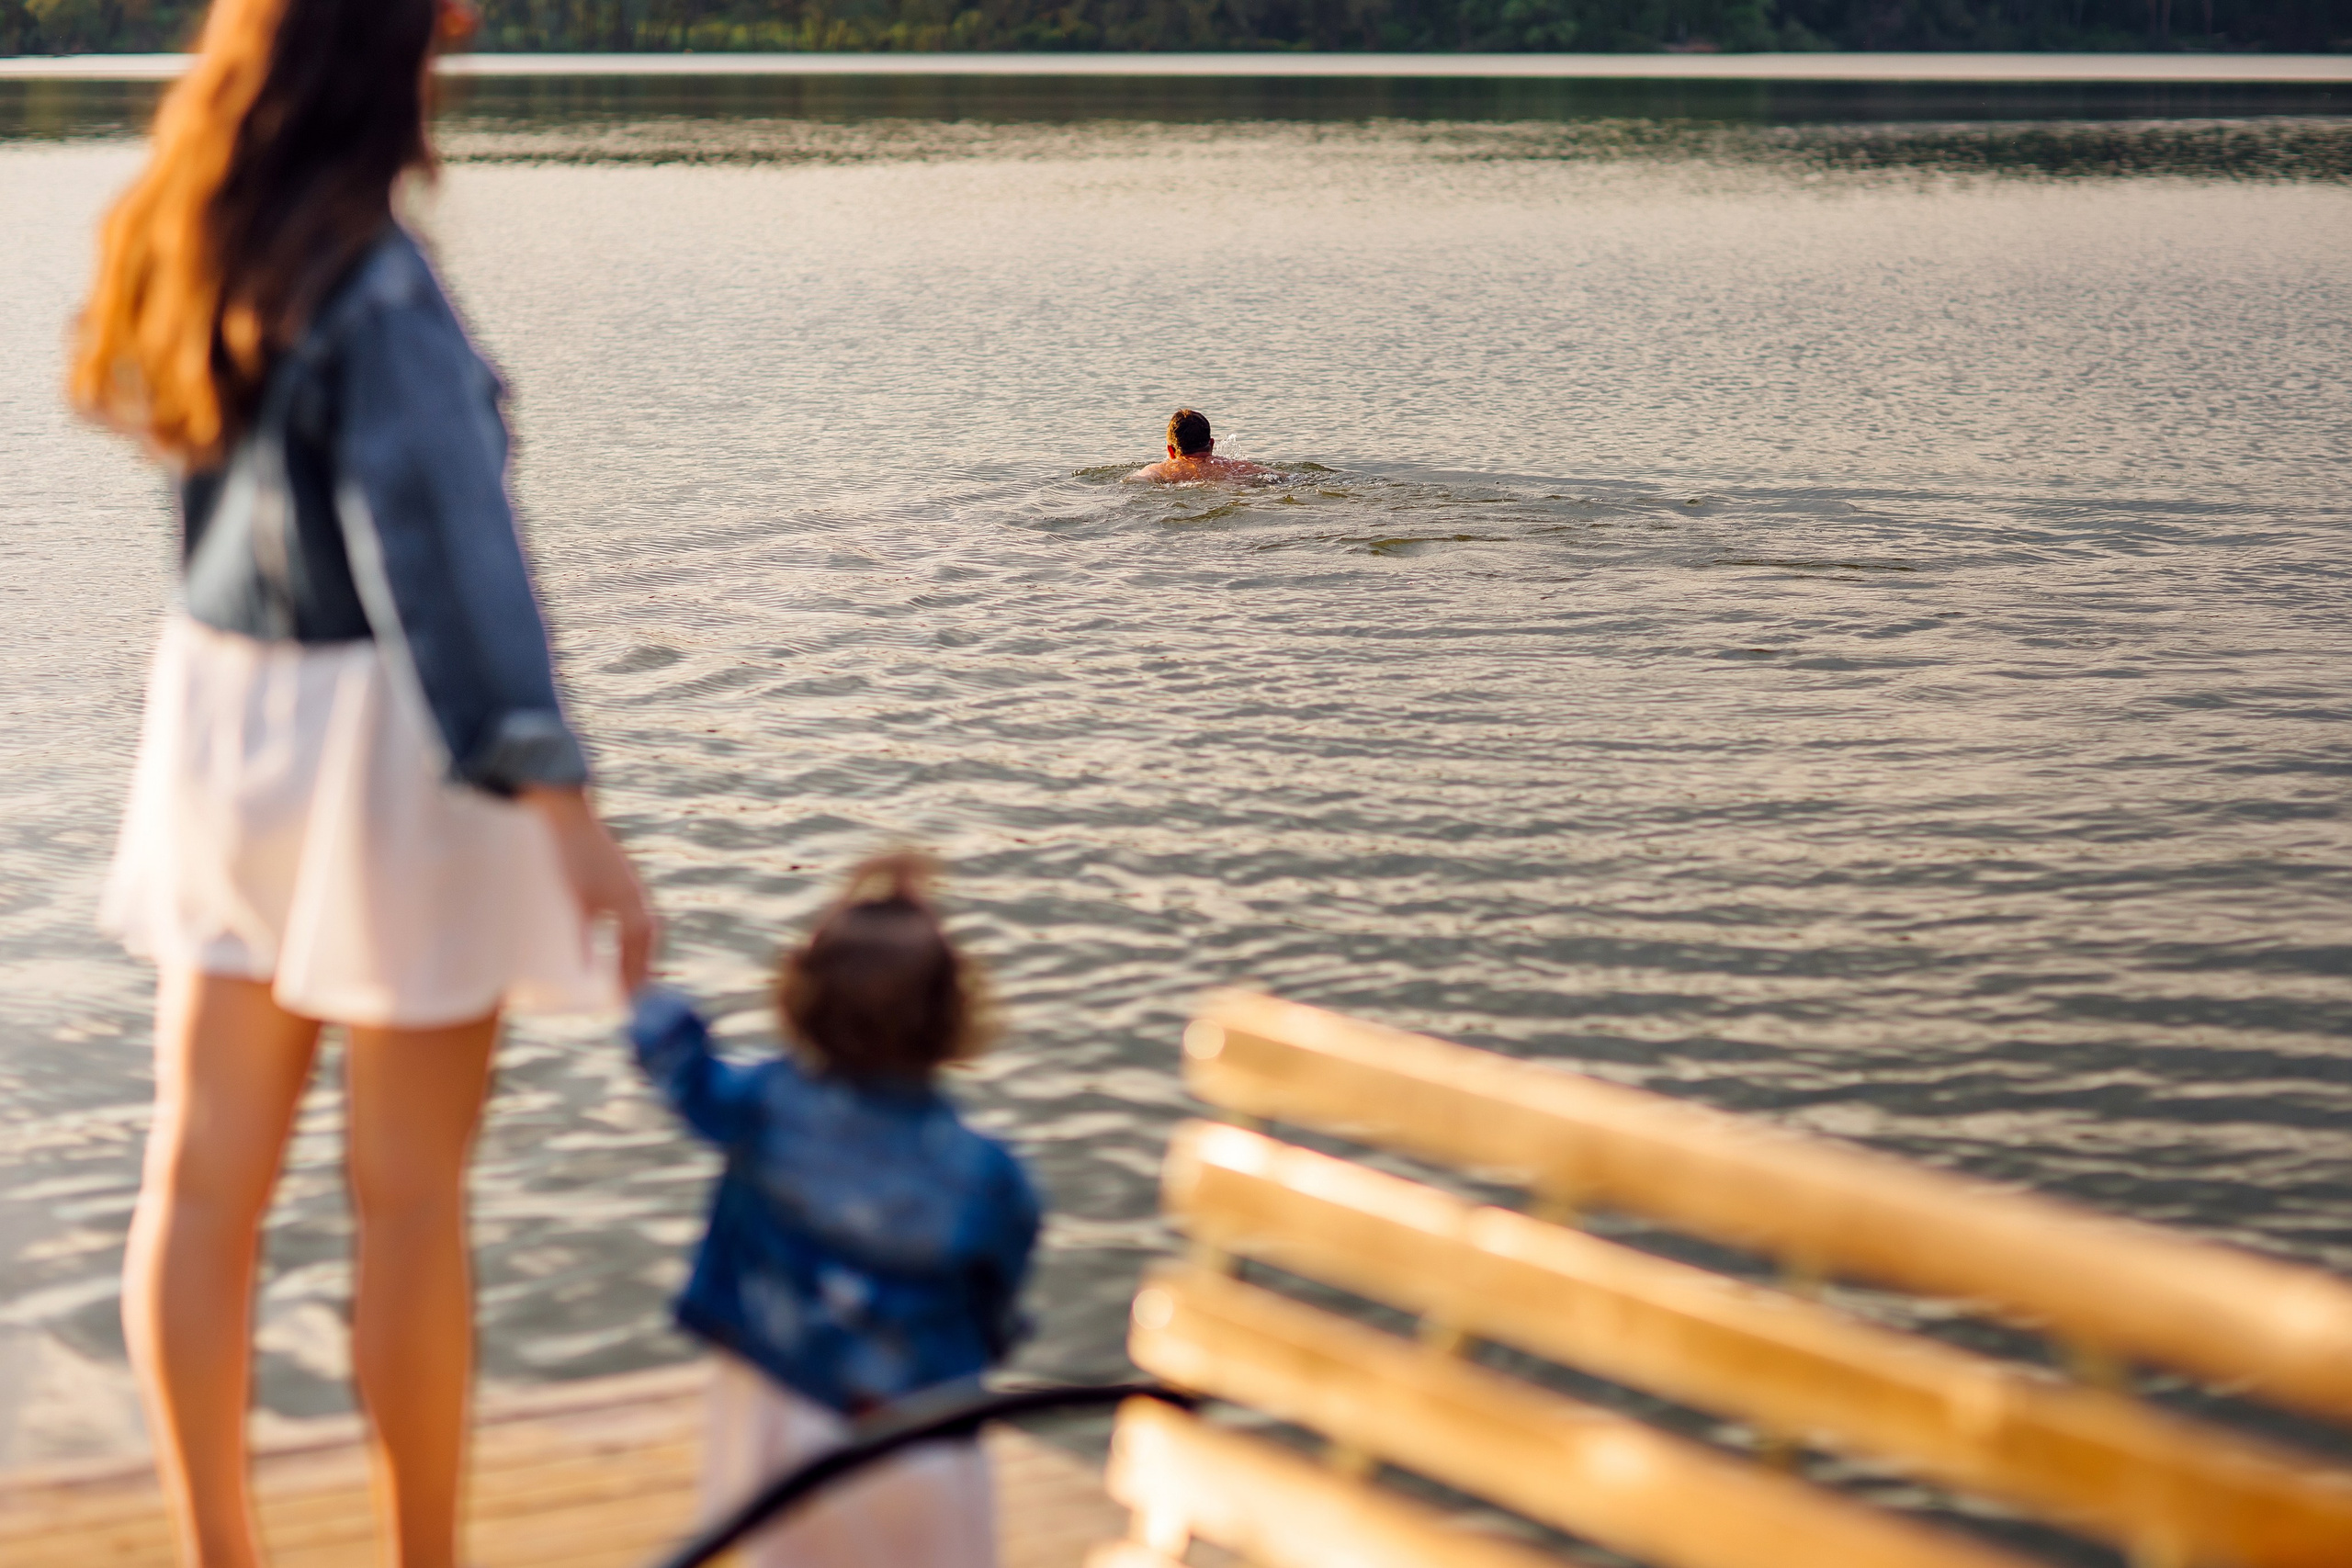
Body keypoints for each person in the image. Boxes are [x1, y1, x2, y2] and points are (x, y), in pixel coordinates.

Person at [70, 1, 655, 1564]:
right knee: (404, 1201)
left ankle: (219, 1547)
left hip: (222, 718)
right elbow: (448, 571)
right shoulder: (381, 288)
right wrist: (568, 808)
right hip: (385, 748)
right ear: (387, 52)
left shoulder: (205, 231)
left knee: (200, 1182)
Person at [628, 853, 1041, 1568]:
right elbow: (997, 1295)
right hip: (922, 1427)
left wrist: (641, 985)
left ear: (800, 998)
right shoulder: (991, 1177)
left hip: (777, 1414)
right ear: (953, 1019)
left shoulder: (761, 1107)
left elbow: (681, 1067)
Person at [1126, 407, 1272, 484]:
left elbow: (1133, 484)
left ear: (1170, 450)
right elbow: (1289, 479)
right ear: (1212, 444)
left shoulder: (1160, 471)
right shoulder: (1239, 468)